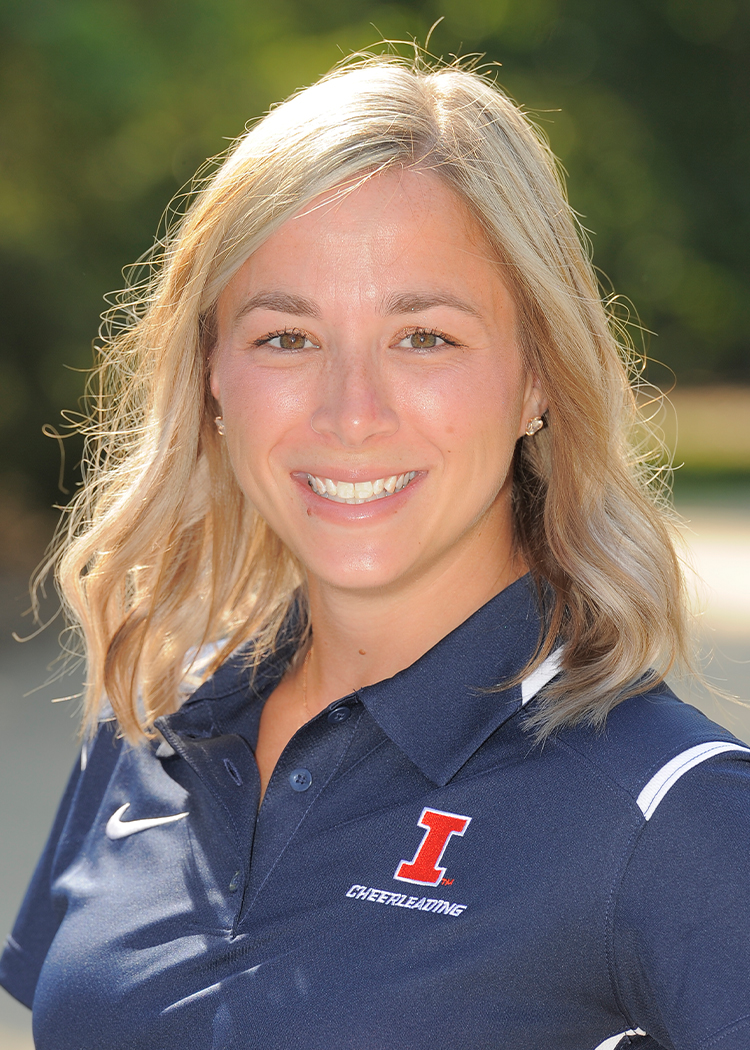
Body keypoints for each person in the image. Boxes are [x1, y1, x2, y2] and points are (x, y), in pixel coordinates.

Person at [1, 53, 749, 1050]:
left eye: (425, 338)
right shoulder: (152, 719)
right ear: (211, 380)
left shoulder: (677, 815)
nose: (352, 413)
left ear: (540, 379)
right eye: (286, 339)